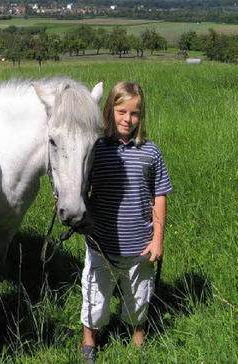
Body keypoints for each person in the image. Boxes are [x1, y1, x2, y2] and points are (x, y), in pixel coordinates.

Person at [80, 81, 173, 363]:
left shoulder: (151, 152)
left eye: (134, 114)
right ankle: (88, 342)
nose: (127, 119)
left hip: (140, 247)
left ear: (140, 116)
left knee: (139, 297)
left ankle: (138, 338)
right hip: (101, 244)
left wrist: (157, 238)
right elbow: (80, 187)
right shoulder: (96, 149)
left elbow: (160, 195)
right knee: (94, 298)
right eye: (121, 111)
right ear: (109, 111)